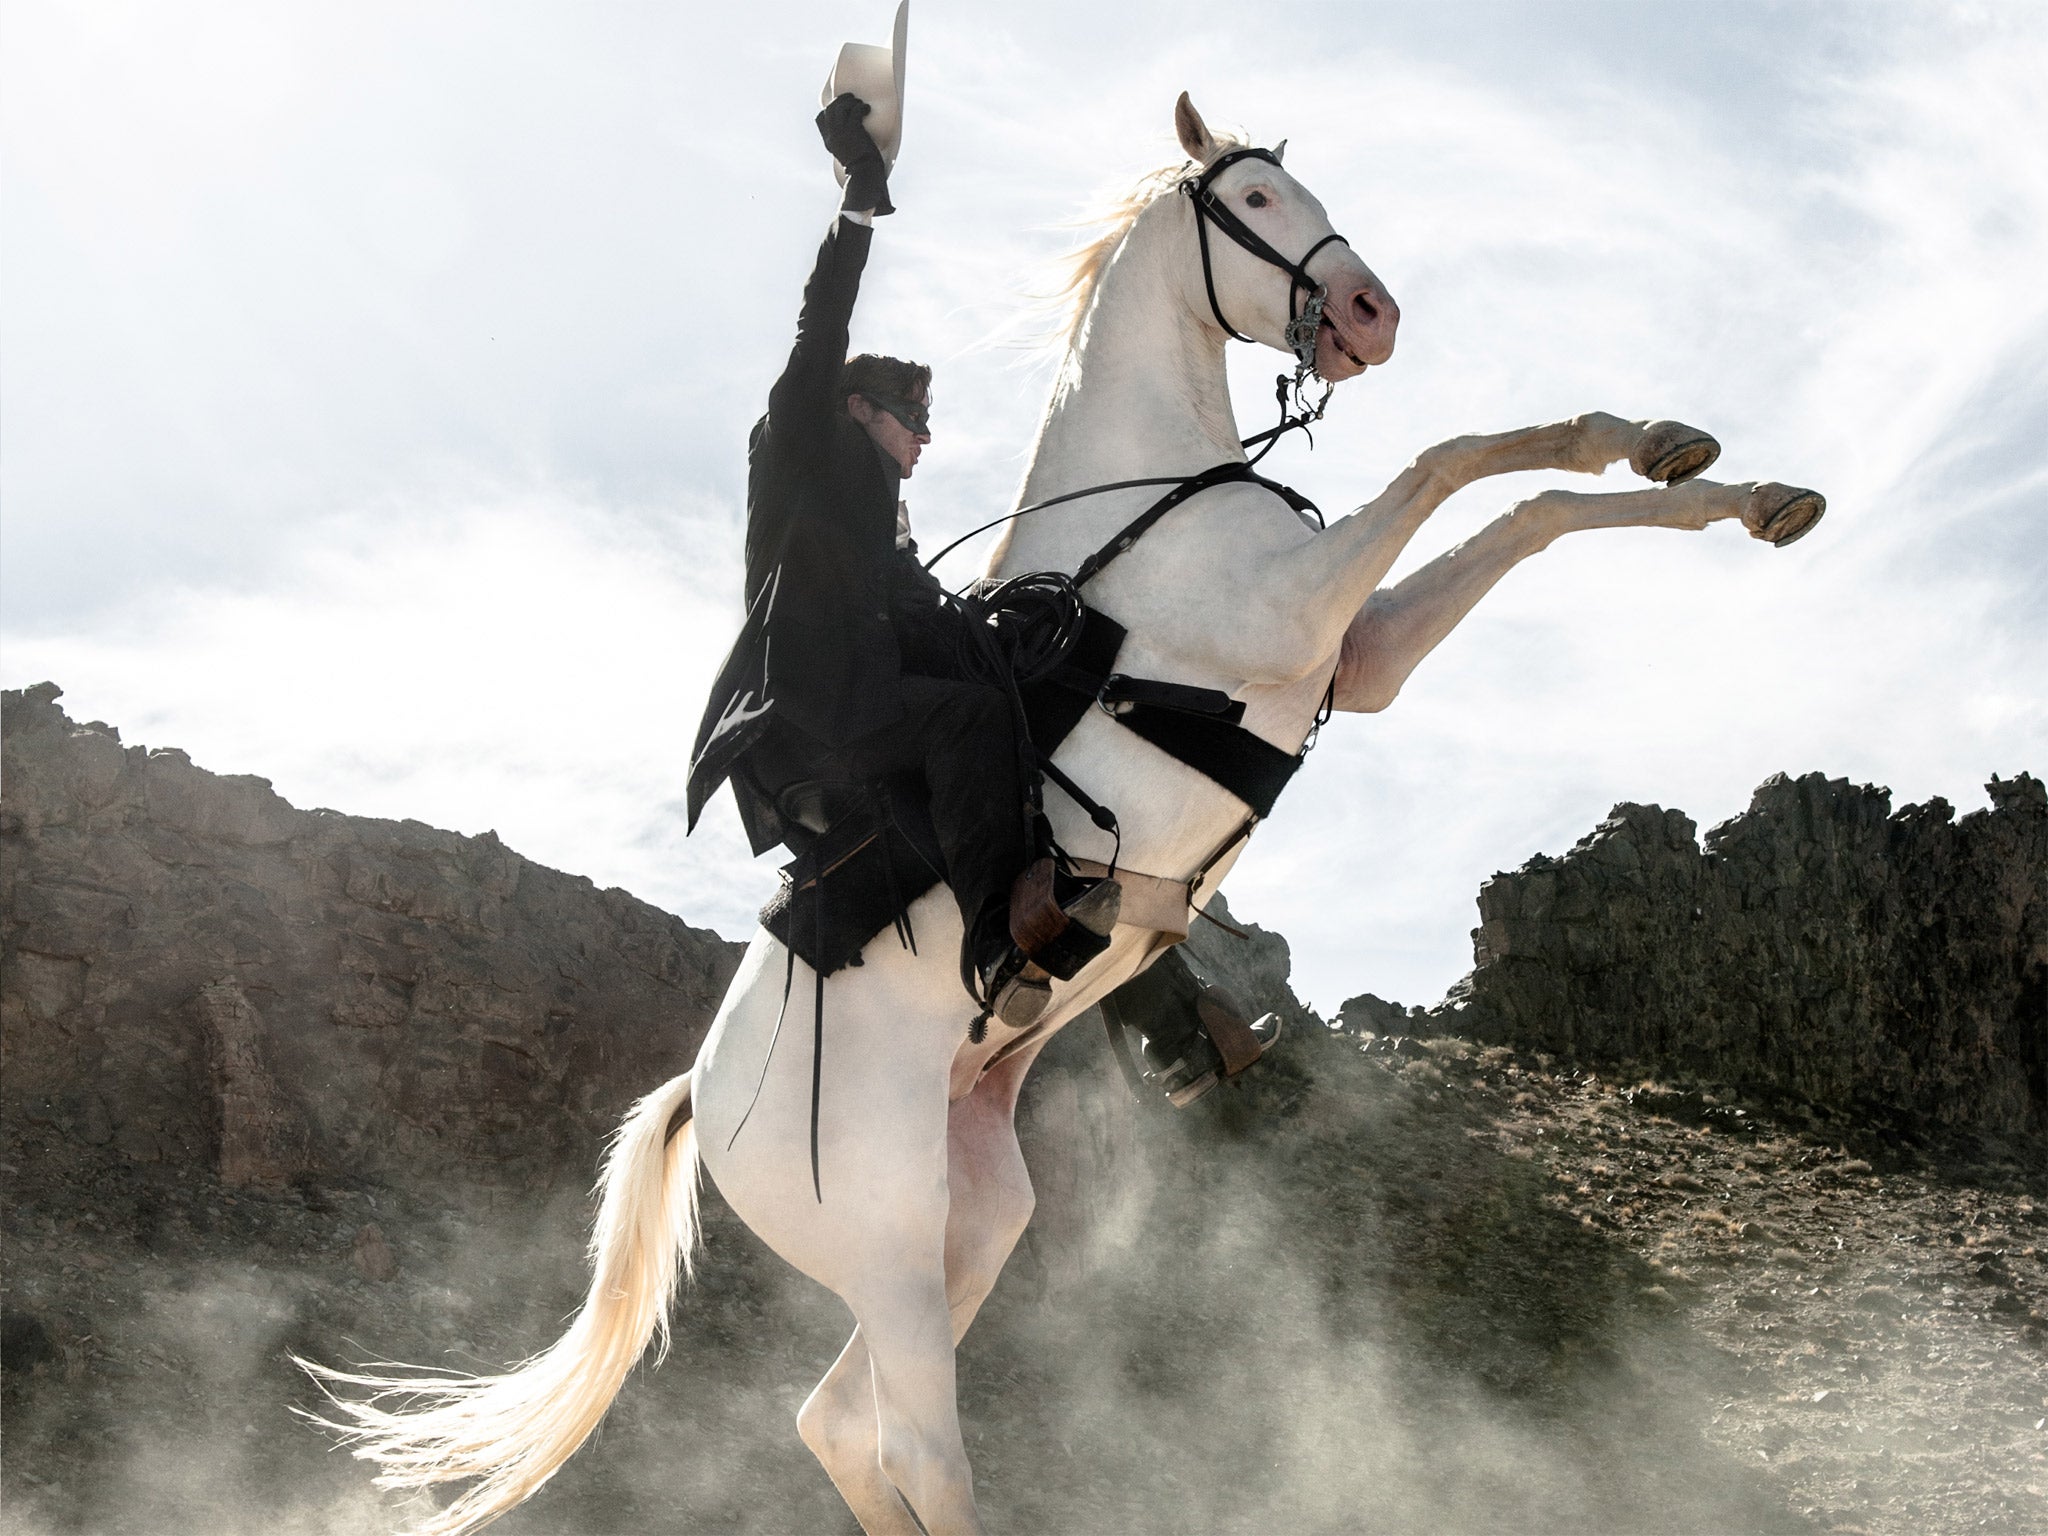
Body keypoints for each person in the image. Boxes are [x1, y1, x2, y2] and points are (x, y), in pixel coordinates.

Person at [685, 93, 1114, 1029]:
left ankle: (1106, 960)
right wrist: (857, 204)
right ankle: (992, 950)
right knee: (964, 720)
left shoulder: (886, 528)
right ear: (856, 409)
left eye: (928, 423)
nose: (924, 437)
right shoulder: (800, 442)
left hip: (869, 702)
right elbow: (819, 331)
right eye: (912, 419)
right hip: (806, 714)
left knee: (999, 682)